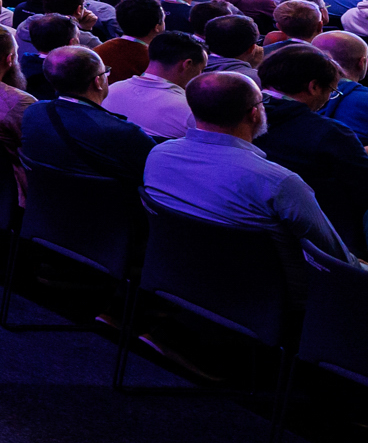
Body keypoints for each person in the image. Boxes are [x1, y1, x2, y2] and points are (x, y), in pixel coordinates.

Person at [144, 71, 354, 292]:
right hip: (267, 295)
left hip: (178, 280)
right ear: (255, 113)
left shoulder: (159, 155)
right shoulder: (279, 182)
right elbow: (335, 258)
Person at [255, 43, 368, 251]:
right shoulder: (331, 134)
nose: (327, 100)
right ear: (314, 86)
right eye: (331, 91)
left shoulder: (235, 116)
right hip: (325, 240)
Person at [19, 45, 157, 184]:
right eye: (106, 72)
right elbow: (158, 170)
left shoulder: (33, 112)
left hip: (44, 197)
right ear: (98, 82)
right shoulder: (124, 133)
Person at [104, 30, 205, 139]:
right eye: (202, 69)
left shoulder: (110, 92)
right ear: (187, 64)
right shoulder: (190, 110)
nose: (200, 74)